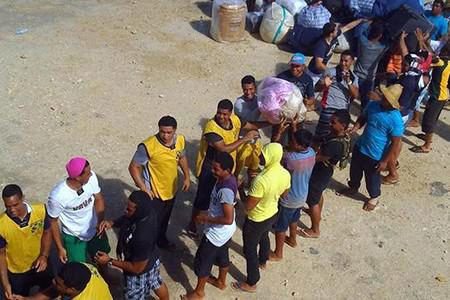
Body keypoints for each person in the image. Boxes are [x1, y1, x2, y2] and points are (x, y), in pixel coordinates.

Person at [186, 99, 262, 236]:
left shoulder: (235, 120)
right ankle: (192, 223)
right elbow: (223, 149)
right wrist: (245, 139)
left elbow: (250, 125)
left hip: (226, 165)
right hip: (210, 167)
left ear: (230, 113)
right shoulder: (211, 128)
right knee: (202, 197)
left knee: (223, 192)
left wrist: (272, 122)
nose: (221, 117)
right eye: (219, 113)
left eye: (225, 114)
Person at [231, 143, 290, 293]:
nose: (259, 156)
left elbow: (247, 206)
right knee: (264, 236)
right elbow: (284, 195)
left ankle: (252, 282)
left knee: (249, 250)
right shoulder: (285, 173)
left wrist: (240, 188)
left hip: (256, 218)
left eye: (263, 154)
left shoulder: (261, 180)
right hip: (272, 213)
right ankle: (263, 261)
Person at [128, 115, 190, 251]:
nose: (165, 136)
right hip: (154, 194)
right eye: (162, 132)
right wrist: (144, 188)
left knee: (164, 220)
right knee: (149, 223)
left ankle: (161, 241)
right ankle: (145, 249)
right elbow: (133, 167)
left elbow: (182, 157)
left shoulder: (179, 140)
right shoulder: (149, 146)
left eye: (169, 132)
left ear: (175, 130)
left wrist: (186, 176)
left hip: (171, 191)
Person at [339, 84, 404, 211]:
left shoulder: (396, 120)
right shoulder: (373, 105)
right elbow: (363, 117)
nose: (383, 100)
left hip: (376, 154)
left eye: (387, 99)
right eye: (384, 97)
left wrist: (385, 161)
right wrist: (356, 127)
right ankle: (353, 187)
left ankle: (374, 197)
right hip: (361, 146)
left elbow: (395, 143)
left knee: (372, 178)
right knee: (355, 171)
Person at [182, 152, 237, 300]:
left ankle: (199, 292)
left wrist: (206, 218)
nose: (212, 171)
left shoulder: (225, 190)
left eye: (216, 169)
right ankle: (221, 281)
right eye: (213, 167)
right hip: (225, 234)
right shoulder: (228, 180)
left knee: (203, 262)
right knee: (222, 255)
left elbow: (228, 218)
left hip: (215, 234)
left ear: (227, 170)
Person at [95, 191, 169, 300]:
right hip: (153, 259)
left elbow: (136, 268)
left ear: (139, 211)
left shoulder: (142, 237)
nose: (125, 210)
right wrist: (113, 223)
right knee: (156, 282)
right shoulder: (148, 211)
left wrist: (109, 260)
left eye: (129, 209)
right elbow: (127, 218)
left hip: (138, 272)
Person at [47, 157, 110, 263]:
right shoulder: (58, 196)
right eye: (87, 173)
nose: (91, 174)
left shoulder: (92, 178)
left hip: (95, 229)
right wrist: (60, 248)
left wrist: (100, 222)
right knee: (80, 270)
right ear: (77, 177)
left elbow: (98, 198)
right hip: (74, 236)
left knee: (102, 260)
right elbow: (52, 221)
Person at [299, 110, 351, 238]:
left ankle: (315, 230)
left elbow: (316, 158)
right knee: (318, 194)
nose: (330, 124)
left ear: (342, 126)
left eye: (333, 122)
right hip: (325, 172)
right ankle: (316, 214)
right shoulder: (340, 136)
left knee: (312, 199)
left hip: (321, 172)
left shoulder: (334, 146)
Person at [269, 129, 316, 261]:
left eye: (293, 142)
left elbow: (275, 154)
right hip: (302, 195)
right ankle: (292, 240)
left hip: (289, 197)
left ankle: (278, 253)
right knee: (294, 218)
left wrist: (277, 137)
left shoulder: (290, 159)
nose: (290, 143)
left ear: (301, 145)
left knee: (280, 226)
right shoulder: (311, 153)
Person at [0, 184, 53, 299]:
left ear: (23, 198)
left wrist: (44, 256)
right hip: (17, 272)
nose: (12, 209)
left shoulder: (40, 210)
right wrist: (6, 284)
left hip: (40, 264)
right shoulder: (1, 225)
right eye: (8, 206)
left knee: (49, 292)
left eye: (15, 205)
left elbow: (47, 232)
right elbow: (1, 255)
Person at [411, 42, 450, 153]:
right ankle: (427, 137)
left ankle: (427, 145)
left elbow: (429, 57)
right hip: (442, 96)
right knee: (433, 117)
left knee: (429, 119)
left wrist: (421, 41)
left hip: (437, 96)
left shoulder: (441, 62)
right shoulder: (447, 63)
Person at [315, 50, 359, 138]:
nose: (343, 63)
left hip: (342, 113)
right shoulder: (331, 72)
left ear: (352, 62)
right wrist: (323, 84)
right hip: (329, 108)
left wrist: (348, 82)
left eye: (346, 61)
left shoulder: (354, 77)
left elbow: (355, 95)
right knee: (320, 137)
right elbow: (316, 88)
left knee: (336, 138)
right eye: (341, 60)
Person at [307, 20, 363, 85]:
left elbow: (347, 27)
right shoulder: (321, 46)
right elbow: (318, 64)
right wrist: (330, 71)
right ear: (331, 34)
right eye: (336, 30)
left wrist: (360, 20)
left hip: (322, 72)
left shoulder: (333, 37)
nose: (337, 31)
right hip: (314, 74)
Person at [16, 262, 112, 300]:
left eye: (57, 283)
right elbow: (54, 289)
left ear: (71, 289)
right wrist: (27, 299)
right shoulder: (84, 268)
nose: (53, 281)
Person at [234, 75, 262, 181]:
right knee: (239, 165)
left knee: (254, 164)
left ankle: (251, 183)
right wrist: (270, 122)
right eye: (245, 89)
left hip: (255, 138)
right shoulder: (238, 104)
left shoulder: (259, 99)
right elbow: (248, 124)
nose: (248, 92)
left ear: (255, 88)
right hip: (242, 139)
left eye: (251, 89)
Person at [353, 20, 387, 108]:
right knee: (365, 104)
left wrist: (369, 21)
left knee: (349, 97)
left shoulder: (363, 42)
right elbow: (391, 40)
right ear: (380, 35)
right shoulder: (382, 48)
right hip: (369, 79)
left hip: (356, 75)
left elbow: (360, 29)